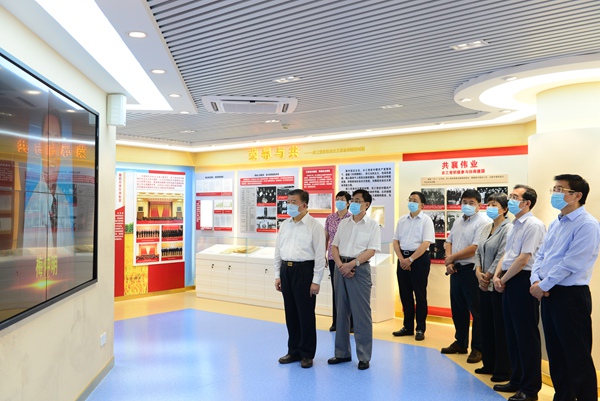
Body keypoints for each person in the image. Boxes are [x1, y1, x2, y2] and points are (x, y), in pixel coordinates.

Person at [530, 175, 600, 401]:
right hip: (549, 293)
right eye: (554, 189)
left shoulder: (587, 225)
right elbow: (541, 254)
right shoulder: (556, 222)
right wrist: (536, 281)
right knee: (556, 354)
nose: (555, 194)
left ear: (577, 195)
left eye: (560, 189)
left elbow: (571, 263)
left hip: (571, 297)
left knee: (577, 356)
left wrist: (543, 285)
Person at [492, 185, 545, 401]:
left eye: (515, 197)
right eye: (511, 196)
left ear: (527, 203)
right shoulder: (514, 225)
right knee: (512, 334)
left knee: (526, 336)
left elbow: (524, 258)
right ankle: (516, 379)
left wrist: (502, 279)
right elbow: (507, 254)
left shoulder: (534, 225)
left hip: (523, 280)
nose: (511, 200)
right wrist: (497, 275)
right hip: (508, 278)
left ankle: (530, 389)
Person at [328, 189, 381, 370]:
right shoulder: (344, 223)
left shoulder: (372, 225)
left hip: (359, 269)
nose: (353, 203)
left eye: (358, 200)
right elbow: (334, 246)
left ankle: (364, 356)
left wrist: (352, 264)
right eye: (353, 200)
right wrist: (340, 265)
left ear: (367, 204)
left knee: (361, 314)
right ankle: (341, 353)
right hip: (340, 268)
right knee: (341, 312)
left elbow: (371, 250)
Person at [274, 189, 326, 369]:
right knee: (291, 313)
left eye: (293, 202)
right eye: (288, 201)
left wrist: (316, 280)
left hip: (304, 271)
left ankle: (307, 353)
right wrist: (277, 275)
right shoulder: (285, 225)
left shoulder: (314, 226)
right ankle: (293, 350)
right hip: (286, 270)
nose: (289, 205)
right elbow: (278, 251)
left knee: (305, 314)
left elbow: (320, 256)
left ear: (304, 205)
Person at [441, 189, 490, 364]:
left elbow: (475, 248)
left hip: (471, 270)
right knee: (458, 308)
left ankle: (478, 348)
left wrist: (451, 258)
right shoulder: (458, 221)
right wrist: (450, 261)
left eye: (471, 202)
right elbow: (448, 241)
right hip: (456, 269)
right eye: (464, 202)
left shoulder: (483, 222)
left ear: (479, 205)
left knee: (477, 311)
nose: (467, 205)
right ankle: (460, 342)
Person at [473, 193, 511, 382]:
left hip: (497, 284)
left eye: (494, 205)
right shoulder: (486, 227)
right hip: (483, 283)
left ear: (504, 209)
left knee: (499, 328)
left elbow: (502, 255)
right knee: (486, 325)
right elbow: (478, 252)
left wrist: (488, 275)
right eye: (488, 204)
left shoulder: (508, 228)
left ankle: (502, 369)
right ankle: (488, 363)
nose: (490, 208)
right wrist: (478, 272)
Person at [391, 191, 435, 341]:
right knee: (405, 294)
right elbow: (395, 241)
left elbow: (426, 243)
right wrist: (402, 259)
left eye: (415, 200)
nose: (411, 202)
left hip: (419, 259)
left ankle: (420, 328)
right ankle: (407, 326)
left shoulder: (426, 220)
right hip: (403, 258)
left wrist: (410, 260)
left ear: (422, 205)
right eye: (410, 199)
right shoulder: (402, 220)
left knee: (420, 295)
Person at [324, 190, 352, 332]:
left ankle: (351, 323)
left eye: (342, 199)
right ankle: (336, 322)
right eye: (337, 199)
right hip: (333, 258)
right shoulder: (330, 218)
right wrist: (323, 253)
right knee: (336, 290)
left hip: (348, 258)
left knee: (349, 290)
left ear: (348, 203)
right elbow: (326, 237)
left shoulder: (351, 218)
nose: (339, 202)